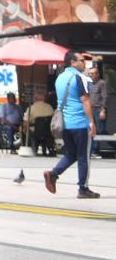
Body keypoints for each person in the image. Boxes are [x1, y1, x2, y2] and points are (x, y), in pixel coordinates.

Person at [45, 56, 100, 198]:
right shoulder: (78, 77)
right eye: (81, 60)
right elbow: (85, 100)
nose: (84, 63)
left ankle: (53, 174)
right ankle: (83, 188)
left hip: (65, 124)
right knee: (84, 157)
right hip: (80, 123)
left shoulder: (60, 78)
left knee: (71, 154)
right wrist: (91, 122)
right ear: (73, 62)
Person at [28, 90, 56, 155]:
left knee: (27, 130)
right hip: (48, 132)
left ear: (35, 98)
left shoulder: (31, 108)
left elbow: (26, 122)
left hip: (36, 131)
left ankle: (32, 147)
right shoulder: (50, 107)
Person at [89, 59, 108, 135]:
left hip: (98, 109)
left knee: (101, 130)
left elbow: (105, 97)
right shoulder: (88, 83)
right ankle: (94, 147)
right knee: (93, 129)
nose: (91, 75)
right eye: (90, 74)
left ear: (97, 74)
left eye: (93, 73)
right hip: (90, 109)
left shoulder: (102, 83)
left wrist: (103, 110)